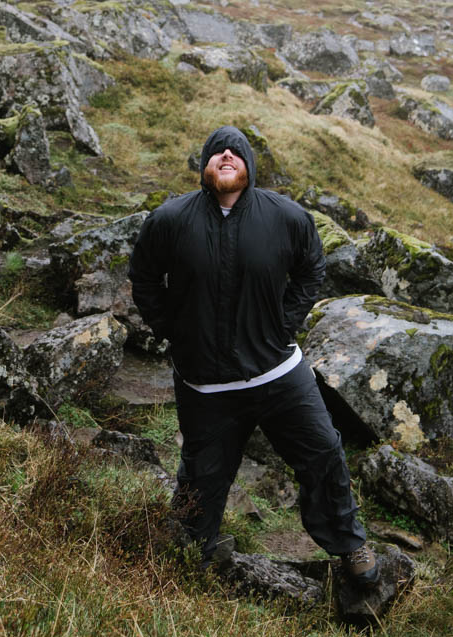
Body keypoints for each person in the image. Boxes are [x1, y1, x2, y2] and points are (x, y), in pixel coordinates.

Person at [129, 124, 380, 587]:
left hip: (278, 374)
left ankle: (350, 547)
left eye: (236, 151)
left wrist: (283, 325)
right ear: (204, 166)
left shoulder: (285, 217)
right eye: (217, 152)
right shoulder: (170, 219)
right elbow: (143, 278)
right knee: (201, 479)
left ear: (250, 166)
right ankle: (187, 563)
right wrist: (174, 332)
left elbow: (312, 269)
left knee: (323, 451)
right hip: (206, 385)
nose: (226, 155)